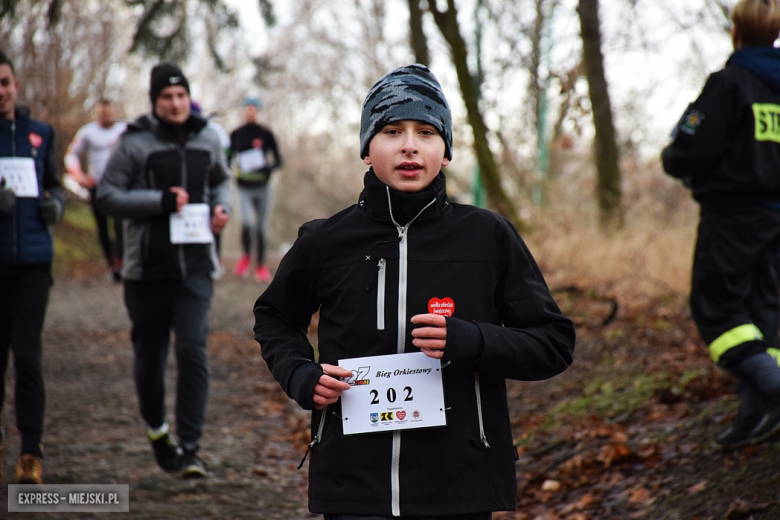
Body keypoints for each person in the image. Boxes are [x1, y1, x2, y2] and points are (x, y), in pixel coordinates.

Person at [253, 64, 575, 519]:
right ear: (367, 149)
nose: (409, 145)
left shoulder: (488, 237)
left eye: (426, 131)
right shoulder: (326, 241)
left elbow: (554, 343)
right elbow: (274, 318)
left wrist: (470, 340)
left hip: (460, 485)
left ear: (445, 151)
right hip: (354, 485)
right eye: (391, 130)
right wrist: (300, 375)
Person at [96, 63, 231, 478]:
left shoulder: (209, 137)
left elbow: (222, 179)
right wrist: (158, 201)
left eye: (180, 96)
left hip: (195, 268)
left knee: (193, 351)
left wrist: (221, 209)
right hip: (146, 272)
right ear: (154, 102)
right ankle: (158, 431)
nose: (175, 104)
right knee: (150, 358)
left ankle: (190, 449)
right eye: (166, 97)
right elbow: (106, 196)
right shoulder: (134, 142)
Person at [662, 0, 780, 449]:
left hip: (732, 218)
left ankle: (772, 389)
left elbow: (687, 149)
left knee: (717, 308)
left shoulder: (728, 84)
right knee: (762, 311)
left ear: (735, 33)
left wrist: (677, 157)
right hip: (775, 219)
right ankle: (757, 414)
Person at [0, 49, 65, 484]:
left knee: (27, 355)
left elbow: (57, 187)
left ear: (16, 85)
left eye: (4, 82)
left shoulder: (41, 133)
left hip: (34, 264)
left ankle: (30, 455)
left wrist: (55, 207)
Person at [64, 99, 127, 282]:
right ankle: (111, 263)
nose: (105, 117)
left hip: (119, 185)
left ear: (114, 113)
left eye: (108, 114)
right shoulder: (87, 132)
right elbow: (71, 155)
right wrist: (79, 175)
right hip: (96, 186)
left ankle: (121, 261)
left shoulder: (123, 130)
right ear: (96, 114)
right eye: (101, 114)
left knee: (120, 225)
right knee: (103, 227)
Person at [229, 97, 282, 282]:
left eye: (254, 109)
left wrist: (269, 167)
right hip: (243, 187)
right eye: (247, 108)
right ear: (243, 111)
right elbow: (228, 157)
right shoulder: (236, 133)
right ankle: (245, 257)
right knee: (245, 223)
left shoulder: (265, 132)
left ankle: (260, 266)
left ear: (258, 111)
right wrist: (231, 172)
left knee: (261, 229)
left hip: (263, 188)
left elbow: (278, 160)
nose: (250, 112)